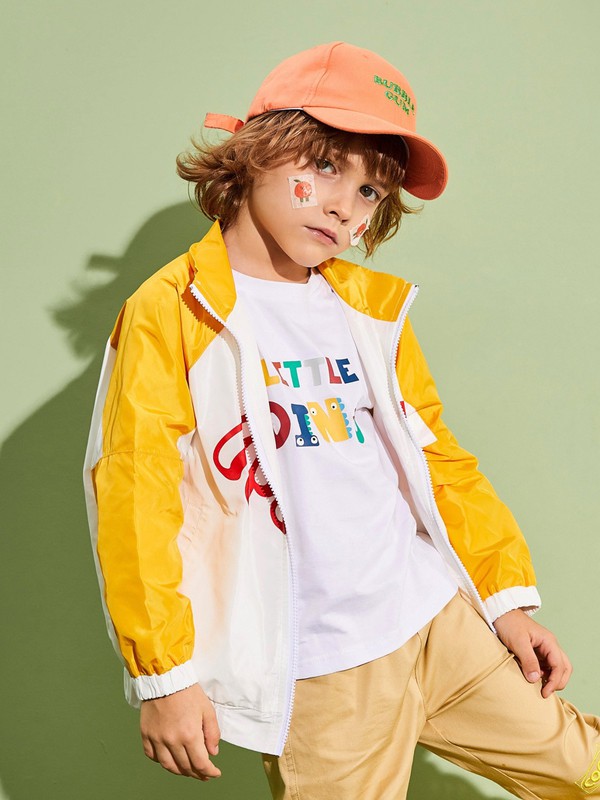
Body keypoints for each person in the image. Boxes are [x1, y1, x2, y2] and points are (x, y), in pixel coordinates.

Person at [83, 41, 600, 799]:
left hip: (431, 616)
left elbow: (437, 458)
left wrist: (507, 601)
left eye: (369, 191)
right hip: (320, 669)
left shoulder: (369, 310)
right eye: (325, 166)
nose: (344, 206)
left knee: (585, 768)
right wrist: (163, 675)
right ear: (255, 150)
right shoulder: (175, 311)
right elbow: (135, 494)